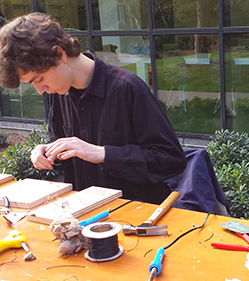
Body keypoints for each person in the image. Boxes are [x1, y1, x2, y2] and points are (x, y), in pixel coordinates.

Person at [0, 13, 187, 205]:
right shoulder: (58, 93)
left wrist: (103, 154)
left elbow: (171, 159)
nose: (40, 91)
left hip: (139, 218)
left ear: (59, 54)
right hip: (85, 214)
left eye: (39, 79)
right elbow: (60, 143)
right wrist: (48, 152)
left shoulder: (128, 88)